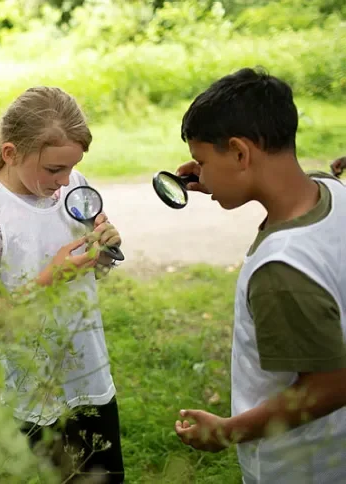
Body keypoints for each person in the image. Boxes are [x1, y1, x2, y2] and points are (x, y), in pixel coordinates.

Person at [172, 67, 346, 483]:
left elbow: (331, 385)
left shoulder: (280, 271)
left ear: (239, 153)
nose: (199, 170)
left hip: (298, 466)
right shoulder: (332, 193)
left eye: (203, 160)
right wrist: (216, 177)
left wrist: (227, 431)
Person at [0, 86, 125, 483]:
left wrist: (103, 251)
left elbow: (94, 265)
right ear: (11, 153)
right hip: (34, 393)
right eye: (53, 170)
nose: (65, 181)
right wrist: (50, 278)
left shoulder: (72, 185)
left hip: (90, 377)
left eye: (70, 168)